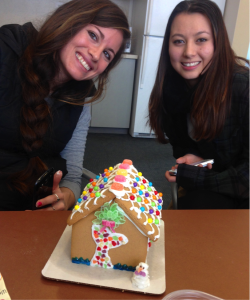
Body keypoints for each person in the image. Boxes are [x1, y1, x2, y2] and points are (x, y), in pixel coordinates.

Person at [0, 0, 130, 211]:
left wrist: (66, 198)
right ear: (69, 22)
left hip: (30, 217)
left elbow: (73, 178)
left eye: (107, 54)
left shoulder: (81, 100)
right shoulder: (6, 50)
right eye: (93, 35)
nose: (96, 55)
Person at [149, 0, 250, 209]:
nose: (188, 52)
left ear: (217, 43)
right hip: (216, 185)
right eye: (178, 41)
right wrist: (198, 159)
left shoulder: (243, 88)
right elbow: (181, 147)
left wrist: (196, 177)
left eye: (201, 39)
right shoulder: (170, 91)